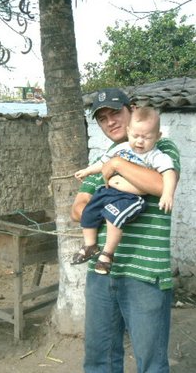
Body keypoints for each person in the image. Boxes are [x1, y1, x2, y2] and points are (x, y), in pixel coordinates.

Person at [71, 88, 180, 373]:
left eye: (115, 113)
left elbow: (160, 185)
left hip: (144, 273)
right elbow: (79, 208)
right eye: (102, 118)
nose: (110, 122)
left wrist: (117, 167)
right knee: (99, 359)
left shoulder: (159, 147)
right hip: (101, 271)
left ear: (131, 109)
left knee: (151, 362)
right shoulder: (104, 157)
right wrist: (111, 204)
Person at [71, 106, 177, 275]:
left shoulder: (159, 152)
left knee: (114, 215)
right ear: (130, 131)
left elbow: (166, 177)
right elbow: (77, 211)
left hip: (142, 270)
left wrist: (168, 194)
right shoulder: (119, 149)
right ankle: (90, 246)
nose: (140, 141)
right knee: (91, 211)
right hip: (108, 195)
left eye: (115, 113)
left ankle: (107, 254)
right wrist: (87, 171)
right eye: (102, 118)